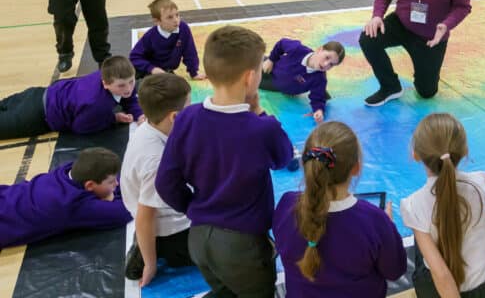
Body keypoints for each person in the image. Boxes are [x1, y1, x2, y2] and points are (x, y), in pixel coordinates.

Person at [156, 25, 294, 297]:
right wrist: (260, 112)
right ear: (250, 77)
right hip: (242, 246)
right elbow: (284, 157)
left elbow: (165, 182)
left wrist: (195, 208)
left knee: (225, 291)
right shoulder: (262, 129)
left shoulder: (186, 118)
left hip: (198, 239)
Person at [273, 121, 407, 296]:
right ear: (356, 168)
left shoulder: (286, 206)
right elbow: (395, 270)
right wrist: (389, 229)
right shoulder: (374, 221)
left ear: (306, 165)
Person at [400, 113, 485, 297]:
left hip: (439, 292)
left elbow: (441, 275)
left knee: (420, 230)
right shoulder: (482, 182)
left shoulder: (412, 205)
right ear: (465, 151)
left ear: (416, 155)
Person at [121, 73, 193, 287]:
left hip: (158, 212)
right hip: (172, 230)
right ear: (174, 116)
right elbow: (145, 216)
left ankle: (150, 246)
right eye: (188, 107)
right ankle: (153, 253)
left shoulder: (149, 127)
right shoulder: (155, 162)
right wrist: (151, 265)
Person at [0, 147, 131, 249]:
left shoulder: (66, 170)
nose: (117, 184)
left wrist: (110, 189)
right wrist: (112, 196)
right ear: (90, 185)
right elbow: (125, 211)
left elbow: (110, 180)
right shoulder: (73, 205)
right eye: (111, 182)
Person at [0, 55, 143, 140]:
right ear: (106, 84)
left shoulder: (111, 75)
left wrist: (139, 114)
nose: (129, 88)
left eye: (131, 81)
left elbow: (129, 97)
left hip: (36, 94)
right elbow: (80, 127)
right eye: (122, 86)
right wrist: (113, 118)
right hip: (34, 116)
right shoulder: (98, 105)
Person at [260, 38, 345, 123]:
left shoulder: (320, 79)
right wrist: (271, 59)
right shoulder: (298, 50)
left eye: (331, 64)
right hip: (271, 67)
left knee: (250, 82)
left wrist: (318, 110)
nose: (326, 64)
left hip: (275, 85)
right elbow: (281, 43)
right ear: (320, 49)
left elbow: (318, 98)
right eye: (327, 57)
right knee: (252, 59)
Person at [129, 0, 204, 80]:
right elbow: (134, 57)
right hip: (149, 69)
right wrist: (152, 68)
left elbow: (190, 52)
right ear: (157, 21)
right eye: (170, 17)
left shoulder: (183, 28)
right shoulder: (150, 36)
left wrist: (194, 73)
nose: (176, 20)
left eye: (177, 15)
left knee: (175, 87)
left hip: (166, 71)